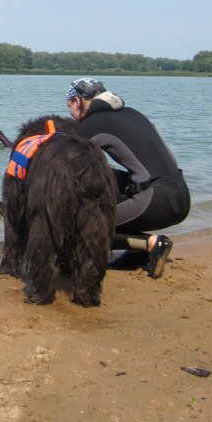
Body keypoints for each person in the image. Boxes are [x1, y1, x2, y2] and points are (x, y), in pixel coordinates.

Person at [65, 78, 190, 278]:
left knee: (80, 227)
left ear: (77, 102)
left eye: (69, 106)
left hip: (155, 201)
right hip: (181, 194)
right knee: (108, 175)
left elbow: (67, 164)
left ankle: (150, 244)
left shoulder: (94, 122)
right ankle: (135, 253)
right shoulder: (133, 114)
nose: (70, 113)